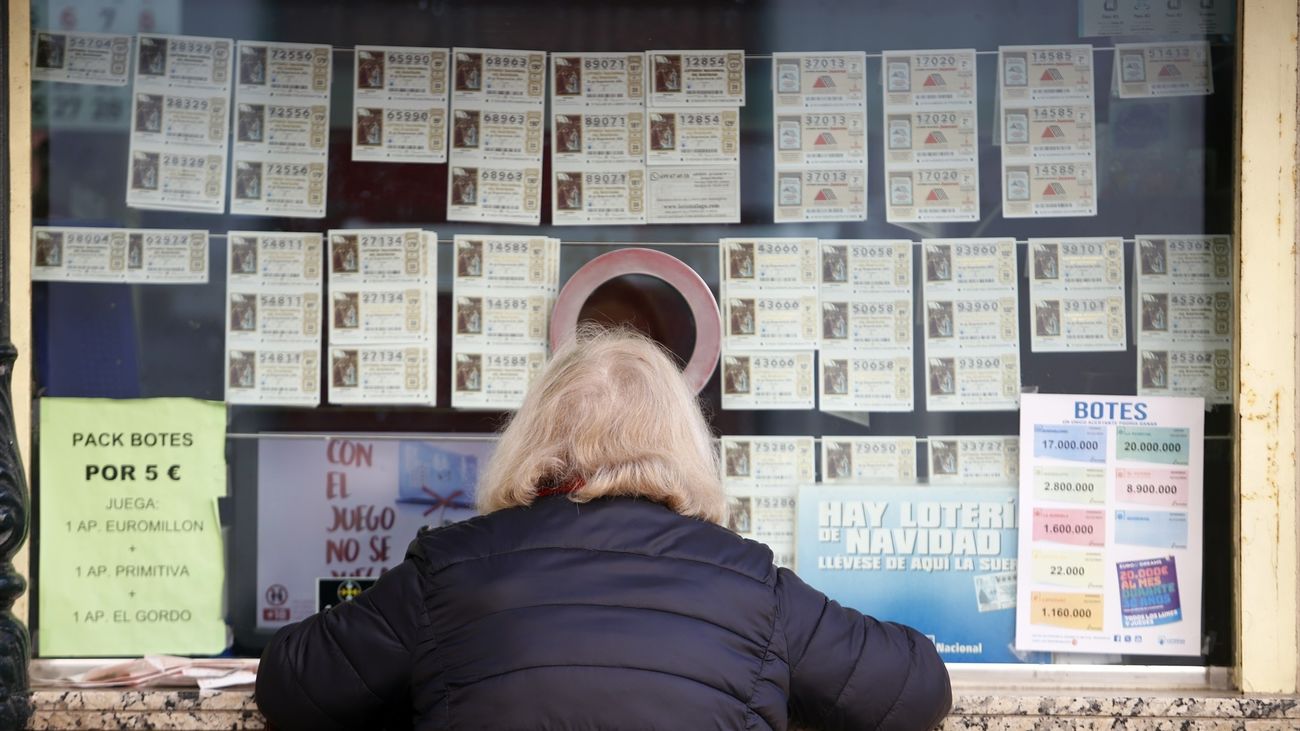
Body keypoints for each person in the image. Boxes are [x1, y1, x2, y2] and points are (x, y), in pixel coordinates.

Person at [256, 327, 951, 730]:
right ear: (683, 442)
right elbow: (918, 686)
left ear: (533, 437)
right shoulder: (751, 585)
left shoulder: (452, 571)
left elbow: (291, 682)